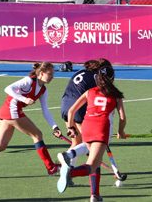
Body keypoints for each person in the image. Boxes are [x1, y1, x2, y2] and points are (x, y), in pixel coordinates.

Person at [0, 62, 63, 178]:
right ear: (41, 73)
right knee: (37, 135)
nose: (52, 77)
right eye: (50, 74)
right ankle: (51, 167)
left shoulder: (43, 90)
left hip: (8, 111)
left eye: (53, 74)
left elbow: (45, 110)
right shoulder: (28, 81)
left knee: (1, 145)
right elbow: (8, 88)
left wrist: (54, 127)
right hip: (11, 110)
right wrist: (24, 99)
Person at [57, 64, 127, 202]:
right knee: (92, 166)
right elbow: (123, 117)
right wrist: (121, 131)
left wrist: (71, 127)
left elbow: (71, 111)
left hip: (87, 127)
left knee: (95, 160)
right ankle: (70, 172)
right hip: (101, 129)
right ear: (112, 79)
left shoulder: (90, 91)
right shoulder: (116, 95)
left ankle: (95, 195)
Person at [57, 59, 113, 169]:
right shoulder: (97, 78)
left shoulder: (80, 72)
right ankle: (91, 167)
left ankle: (67, 170)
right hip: (78, 108)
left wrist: (70, 126)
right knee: (91, 143)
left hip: (65, 107)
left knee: (76, 141)